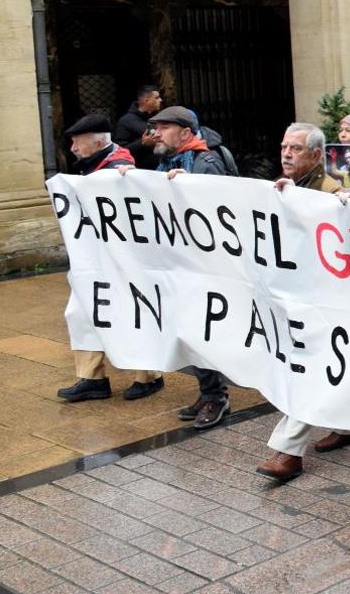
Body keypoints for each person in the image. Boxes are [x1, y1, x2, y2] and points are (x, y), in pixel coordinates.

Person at [256, 123, 350, 483]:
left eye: (296, 149)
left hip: (326, 302)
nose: (287, 154)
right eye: (284, 147)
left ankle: (288, 452)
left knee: (309, 372)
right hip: (297, 299)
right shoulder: (284, 188)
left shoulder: (333, 193)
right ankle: (348, 427)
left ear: (317, 156)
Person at [57, 115, 166, 403]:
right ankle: (92, 378)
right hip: (94, 261)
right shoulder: (94, 166)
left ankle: (148, 375)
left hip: (122, 262)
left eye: (77, 142)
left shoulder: (119, 167)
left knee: (130, 312)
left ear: (97, 141)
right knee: (80, 312)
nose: (72, 148)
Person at [151, 106, 233, 429]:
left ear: (185, 133)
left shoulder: (204, 162)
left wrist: (191, 188)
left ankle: (216, 398)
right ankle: (208, 390)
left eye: (163, 127)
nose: (155, 133)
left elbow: (222, 208)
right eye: (154, 127)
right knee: (188, 332)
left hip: (204, 267)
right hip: (181, 263)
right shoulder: (169, 163)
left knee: (201, 332)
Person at [114, 84, 163, 171]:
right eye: (157, 98)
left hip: (156, 168)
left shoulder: (156, 118)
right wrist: (142, 143)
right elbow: (120, 150)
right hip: (136, 170)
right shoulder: (126, 120)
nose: (160, 100)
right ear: (147, 100)